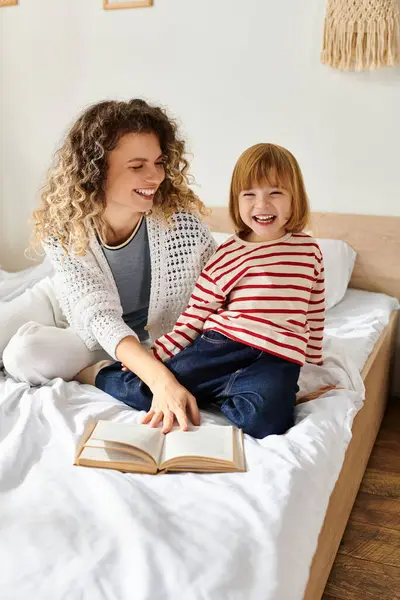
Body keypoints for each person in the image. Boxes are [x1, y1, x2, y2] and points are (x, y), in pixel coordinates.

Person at [76, 143, 326, 439]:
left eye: (275, 193)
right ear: (237, 200)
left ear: (294, 198)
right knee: (152, 393)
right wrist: (158, 354)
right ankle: (102, 374)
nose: (262, 206)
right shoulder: (228, 254)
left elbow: (314, 309)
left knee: (266, 423)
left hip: (277, 358)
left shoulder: (308, 250)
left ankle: (222, 394)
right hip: (222, 347)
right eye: (250, 195)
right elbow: (195, 316)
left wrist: (312, 365)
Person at [0, 99, 216, 394]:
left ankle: (92, 373)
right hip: (63, 303)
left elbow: (222, 292)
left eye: (158, 163)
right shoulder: (66, 226)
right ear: (97, 170)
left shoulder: (182, 226)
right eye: (137, 166)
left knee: (23, 355)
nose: (154, 176)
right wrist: (161, 381)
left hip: (126, 336)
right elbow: (95, 311)